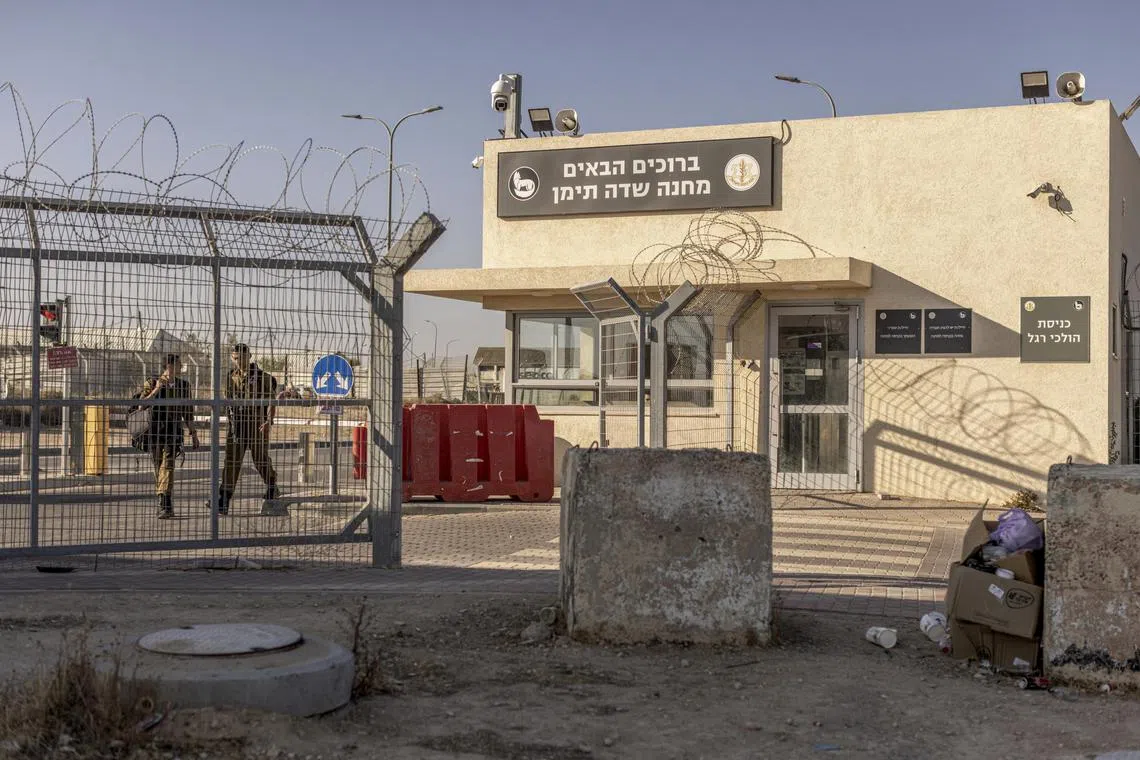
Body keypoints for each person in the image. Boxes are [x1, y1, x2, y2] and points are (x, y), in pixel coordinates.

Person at [210, 343, 279, 515]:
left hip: (256, 423)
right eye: (234, 358)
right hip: (237, 424)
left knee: (260, 459)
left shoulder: (263, 377)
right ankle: (223, 499)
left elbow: (271, 401)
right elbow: (228, 401)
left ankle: (271, 485)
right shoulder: (230, 377)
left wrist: (268, 421)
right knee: (232, 461)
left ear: (249, 356)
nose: (237, 361)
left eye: (240, 357)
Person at [135, 353, 199, 519]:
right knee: (159, 468)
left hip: (173, 432)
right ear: (169, 366)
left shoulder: (183, 386)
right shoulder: (152, 382)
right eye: (178, 364)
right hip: (155, 432)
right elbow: (141, 406)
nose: (181, 367)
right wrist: (157, 389)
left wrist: (193, 434)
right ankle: (163, 501)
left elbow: (188, 412)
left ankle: (166, 503)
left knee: (168, 466)